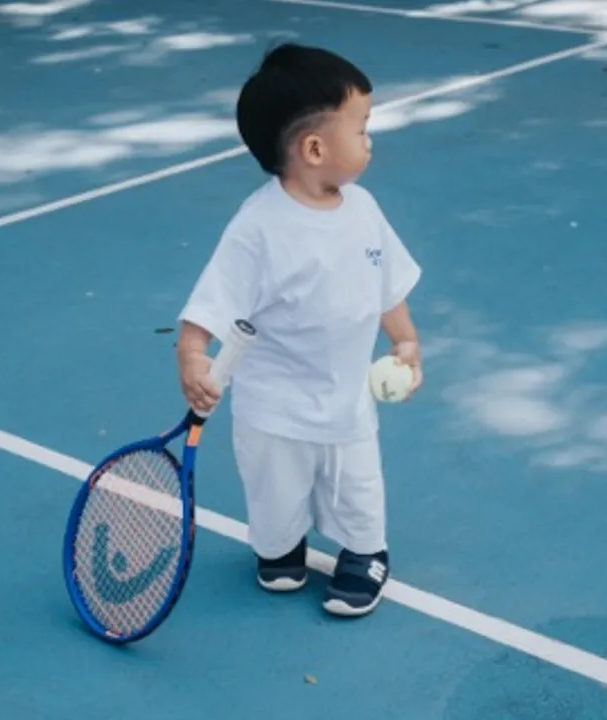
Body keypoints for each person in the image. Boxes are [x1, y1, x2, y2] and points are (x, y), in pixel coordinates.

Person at [176, 42, 423, 617]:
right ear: (314, 148)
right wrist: (191, 354)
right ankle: (280, 547)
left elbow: (386, 285)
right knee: (274, 493)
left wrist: (405, 340)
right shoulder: (258, 227)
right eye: (361, 128)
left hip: (346, 400)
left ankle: (365, 552)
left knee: (357, 485)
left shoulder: (364, 210)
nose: (369, 140)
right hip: (273, 407)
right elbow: (211, 303)